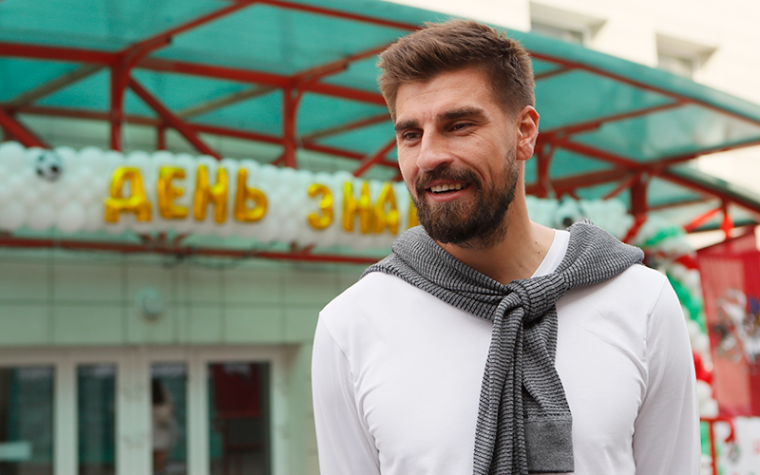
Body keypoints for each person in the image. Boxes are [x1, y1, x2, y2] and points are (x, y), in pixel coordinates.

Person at [312, 19, 699, 475]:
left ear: (525, 132)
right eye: (410, 135)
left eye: (459, 125)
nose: (429, 157)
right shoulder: (349, 326)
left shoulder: (642, 301)